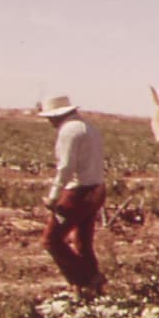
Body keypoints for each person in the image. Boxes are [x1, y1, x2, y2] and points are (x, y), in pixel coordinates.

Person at [37, 95, 107, 295]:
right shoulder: (89, 127)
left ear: (57, 115)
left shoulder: (68, 131)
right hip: (97, 189)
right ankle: (93, 290)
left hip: (78, 192)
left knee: (51, 241)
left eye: (50, 117)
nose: (49, 122)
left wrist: (53, 196)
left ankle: (88, 278)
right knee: (83, 242)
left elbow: (66, 167)